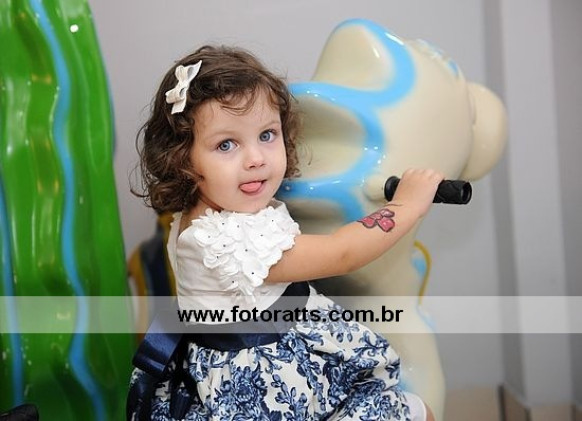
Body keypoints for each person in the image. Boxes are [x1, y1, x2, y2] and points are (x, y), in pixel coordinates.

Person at [128, 45, 441, 421]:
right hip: (269, 383)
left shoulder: (210, 210)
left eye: (267, 134)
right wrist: (406, 205)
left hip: (278, 341)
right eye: (226, 144)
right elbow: (342, 253)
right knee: (413, 412)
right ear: (183, 160)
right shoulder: (225, 240)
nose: (256, 158)